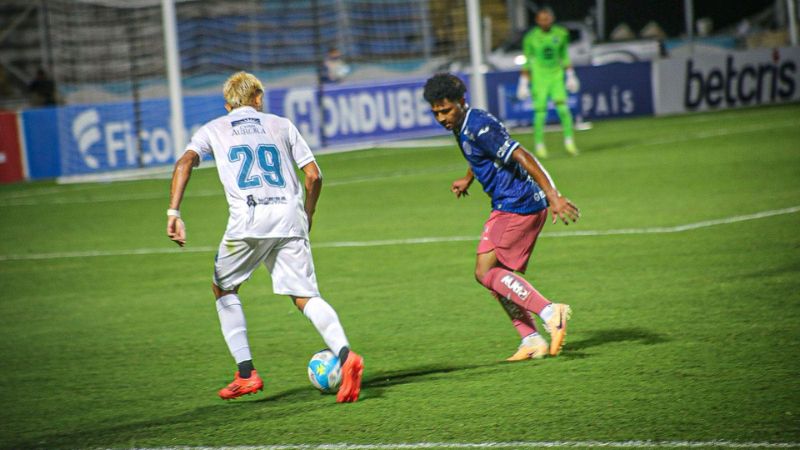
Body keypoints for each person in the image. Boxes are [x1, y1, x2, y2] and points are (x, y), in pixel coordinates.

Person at [166, 71, 364, 402]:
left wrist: (174, 212)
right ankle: (345, 356)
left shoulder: (213, 129)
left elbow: (185, 161)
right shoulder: (281, 124)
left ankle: (246, 374)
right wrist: (308, 213)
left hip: (248, 221)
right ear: (257, 98)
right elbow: (314, 176)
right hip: (289, 218)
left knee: (223, 286)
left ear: (228, 104)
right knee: (304, 296)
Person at [423, 73, 579, 361]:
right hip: (510, 204)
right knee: (496, 277)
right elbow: (480, 156)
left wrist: (553, 195)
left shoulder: (479, 126)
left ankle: (550, 312)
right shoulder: (463, 125)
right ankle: (531, 339)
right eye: (436, 113)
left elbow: (521, 154)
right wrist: (469, 178)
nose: (442, 118)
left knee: (485, 272)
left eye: (446, 111)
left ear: (461, 102)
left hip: (517, 205)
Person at [517, 7, 580, 158]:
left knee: (564, 110)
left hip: (556, 76)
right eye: (542, 19)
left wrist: (571, 75)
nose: (545, 22)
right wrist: (523, 83)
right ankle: (539, 146)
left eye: (547, 18)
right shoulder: (530, 38)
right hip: (539, 78)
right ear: (537, 21)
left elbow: (564, 56)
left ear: (552, 19)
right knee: (540, 114)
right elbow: (526, 62)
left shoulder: (561, 34)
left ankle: (569, 143)